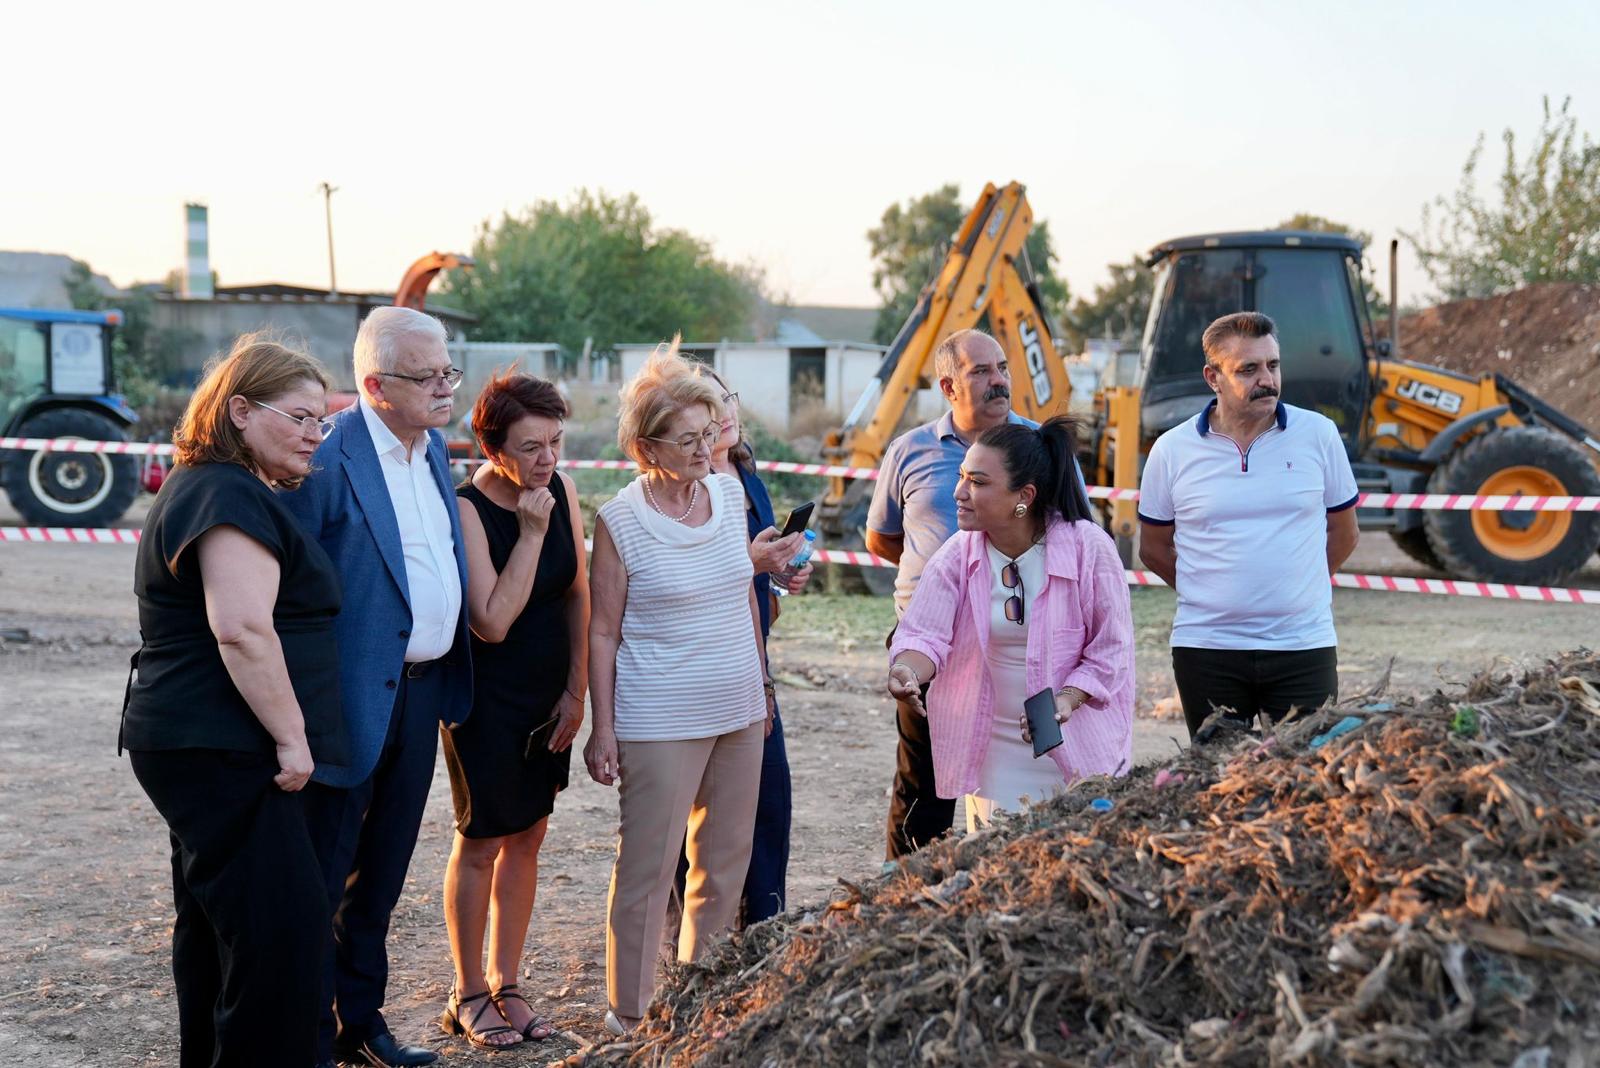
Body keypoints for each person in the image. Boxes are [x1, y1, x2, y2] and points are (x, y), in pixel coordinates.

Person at [120, 334, 346, 1067]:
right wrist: (293, 737)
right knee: (284, 929)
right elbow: (243, 628)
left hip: (202, 739)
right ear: (241, 412)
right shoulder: (223, 490)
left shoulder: (211, 483)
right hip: (221, 742)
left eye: (323, 422)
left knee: (221, 926)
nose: (316, 435)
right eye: (302, 417)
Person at [279, 306, 473, 1068]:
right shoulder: (326, 459)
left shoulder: (432, 452)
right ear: (374, 384)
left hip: (423, 695)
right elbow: (289, 594)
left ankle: (358, 1025)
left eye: (448, 370)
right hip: (348, 699)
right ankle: (307, 1039)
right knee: (323, 878)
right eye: (427, 376)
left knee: (382, 874)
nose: (445, 386)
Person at [585, 341, 775, 1035]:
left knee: (723, 866)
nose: (706, 448)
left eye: (711, 432)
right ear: (646, 446)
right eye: (689, 438)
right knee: (647, 869)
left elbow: (744, 599)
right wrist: (601, 729)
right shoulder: (621, 520)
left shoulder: (728, 495)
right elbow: (602, 631)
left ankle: (697, 1008)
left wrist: (762, 686)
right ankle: (629, 1015)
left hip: (736, 705)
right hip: (657, 715)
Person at [438, 372, 589, 1051]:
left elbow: (578, 593)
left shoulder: (563, 489)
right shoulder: (467, 507)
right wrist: (530, 532)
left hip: (547, 695)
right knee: (482, 839)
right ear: (490, 445)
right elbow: (492, 621)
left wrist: (577, 690)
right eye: (531, 447)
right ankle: (468, 991)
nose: (547, 462)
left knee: (529, 835)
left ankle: (508, 982)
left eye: (555, 443)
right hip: (486, 701)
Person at [886, 417, 1133, 830]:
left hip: (1079, 747)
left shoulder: (1090, 548)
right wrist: (907, 671)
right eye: (962, 476)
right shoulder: (957, 554)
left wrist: (1067, 699)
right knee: (1000, 868)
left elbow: (1112, 650)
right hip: (993, 751)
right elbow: (924, 634)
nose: (959, 492)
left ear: (1024, 496)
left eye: (978, 482)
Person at [867, 329, 1049, 857]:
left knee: (1031, 769)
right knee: (926, 782)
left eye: (1001, 368)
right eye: (981, 371)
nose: (999, 381)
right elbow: (884, 538)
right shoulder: (910, 450)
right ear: (948, 386)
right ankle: (906, 902)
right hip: (932, 648)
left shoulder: (1040, 449)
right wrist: (938, 587)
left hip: (1025, 644)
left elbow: (1073, 535)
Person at [1137, 311, 1360, 740]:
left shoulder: (1319, 435)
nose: (1268, 380)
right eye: (1249, 369)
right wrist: (1210, 594)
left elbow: (1345, 532)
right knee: (1220, 784)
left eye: (1273, 366)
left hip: (1302, 647)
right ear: (1213, 377)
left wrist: (1301, 587)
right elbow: (1153, 548)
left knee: (1305, 782)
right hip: (1207, 650)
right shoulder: (1172, 450)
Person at [665, 366, 812, 929]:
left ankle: (765, 928)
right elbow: (679, 582)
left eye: (725, 397)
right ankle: (690, 940)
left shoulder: (749, 477)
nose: (723, 413)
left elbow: (758, 589)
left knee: (769, 800)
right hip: (692, 663)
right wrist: (750, 566)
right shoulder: (676, 487)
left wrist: (782, 577)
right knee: (689, 811)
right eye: (707, 405)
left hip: (753, 659)